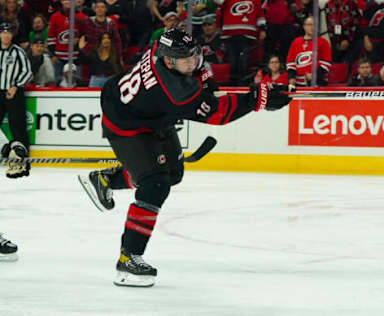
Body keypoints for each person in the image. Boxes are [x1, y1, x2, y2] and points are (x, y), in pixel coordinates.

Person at [78, 28, 291, 287]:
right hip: (127, 123)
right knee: (156, 184)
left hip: (150, 112)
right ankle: (128, 258)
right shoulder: (175, 91)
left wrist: (205, 76)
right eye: (186, 61)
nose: (193, 63)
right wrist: (258, 99)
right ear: (168, 62)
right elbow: (217, 114)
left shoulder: (164, 46)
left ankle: (106, 180)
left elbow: (195, 63)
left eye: (194, 58)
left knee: (173, 173)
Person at [0, 23, 32, 178]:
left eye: (8, 33)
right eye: (3, 33)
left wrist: (15, 86)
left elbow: (27, 72)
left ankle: (22, 162)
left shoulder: (18, 52)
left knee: (18, 127)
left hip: (14, 93)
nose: (6, 35)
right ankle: (6, 156)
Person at [215, 0, 266, 86]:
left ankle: (242, 85)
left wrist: (262, 29)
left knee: (244, 61)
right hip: (230, 35)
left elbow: (260, 14)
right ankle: (232, 86)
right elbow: (218, 2)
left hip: (247, 35)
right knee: (232, 62)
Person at [286, 16, 332, 87]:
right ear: (304, 26)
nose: (312, 27)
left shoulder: (323, 42)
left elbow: (326, 63)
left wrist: (314, 75)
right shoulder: (296, 42)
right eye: (310, 24)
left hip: (317, 83)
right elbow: (291, 62)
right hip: (299, 84)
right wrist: (291, 77)